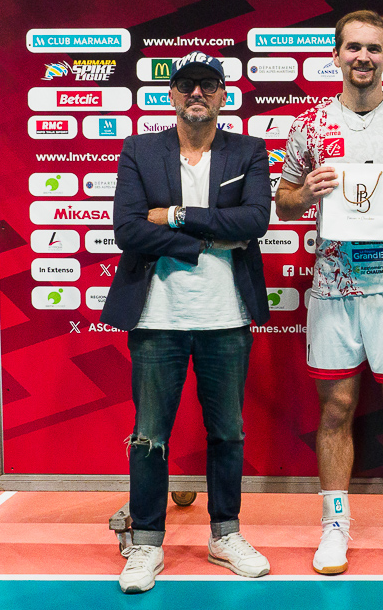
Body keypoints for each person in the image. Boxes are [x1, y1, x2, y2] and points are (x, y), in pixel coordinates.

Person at [275, 10, 383, 576]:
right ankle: (334, 528)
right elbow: (284, 202)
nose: (363, 57)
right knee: (336, 409)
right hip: (333, 289)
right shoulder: (309, 124)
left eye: (374, 49)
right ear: (336, 55)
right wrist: (306, 191)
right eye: (353, 47)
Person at [101, 51, 273, 593]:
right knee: (150, 434)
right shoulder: (139, 149)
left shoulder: (248, 150)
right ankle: (146, 542)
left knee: (228, 432)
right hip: (157, 317)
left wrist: (176, 217)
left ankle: (226, 534)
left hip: (227, 316)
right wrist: (207, 241)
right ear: (171, 94)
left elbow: (255, 220)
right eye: (186, 84)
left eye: (208, 84)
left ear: (223, 95)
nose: (197, 92)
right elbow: (128, 229)